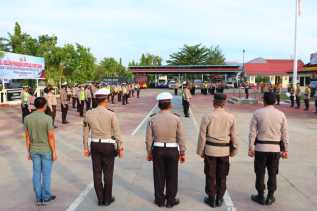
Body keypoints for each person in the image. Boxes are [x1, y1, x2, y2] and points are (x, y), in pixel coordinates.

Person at [83, 89, 124, 206]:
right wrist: (120, 148)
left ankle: (100, 199)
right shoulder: (111, 114)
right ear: (106, 100)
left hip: (95, 145)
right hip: (108, 146)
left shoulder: (89, 113)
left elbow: (85, 133)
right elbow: (117, 133)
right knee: (108, 173)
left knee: (96, 173)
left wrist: (85, 148)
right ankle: (107, 199)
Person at [196, 93, 239, 208]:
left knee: (210, 175)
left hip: (210, 150)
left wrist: (201, 151)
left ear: (214, 103)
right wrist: (234, 151)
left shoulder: (207, 116)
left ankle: (211, 199)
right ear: (224, 103)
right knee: (222, 175)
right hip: (224, 151)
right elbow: (234, 136)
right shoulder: (231, 117)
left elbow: (202, 136)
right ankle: (219, 198)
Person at [145, 92, 186, 208]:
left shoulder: (152, 118)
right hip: (173, 150)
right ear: (170, 105)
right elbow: (181, 137)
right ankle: (170, 200)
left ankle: (159, 200)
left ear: (158, 105)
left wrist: (149, 152)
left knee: (158, 175)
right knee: (172, 175)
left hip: (157, 150)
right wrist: (182, 152)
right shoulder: (176, 118)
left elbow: (148, 138)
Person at [248, 92, 289, 205]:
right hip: (275, 149)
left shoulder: (257, 113)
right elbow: (285, 134)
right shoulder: (281, 114)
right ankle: (270, 196)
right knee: (272, 173)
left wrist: (251, 147)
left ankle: (260, 196)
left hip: (261, 148)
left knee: (260, 172)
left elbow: (252, 133)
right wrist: (285, 150)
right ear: (275, 101)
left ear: (264, 100)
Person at [24, 97, 57, 206]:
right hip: (46, 149)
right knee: (46, 174)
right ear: (44, 105)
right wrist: (54, 152)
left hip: (34, 150)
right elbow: (51, 137)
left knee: (36, 173)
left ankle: (38, 197)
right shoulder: (48, 118)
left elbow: (27, 137)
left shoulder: (27, 118)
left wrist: (28, 151)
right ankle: (46, 196)